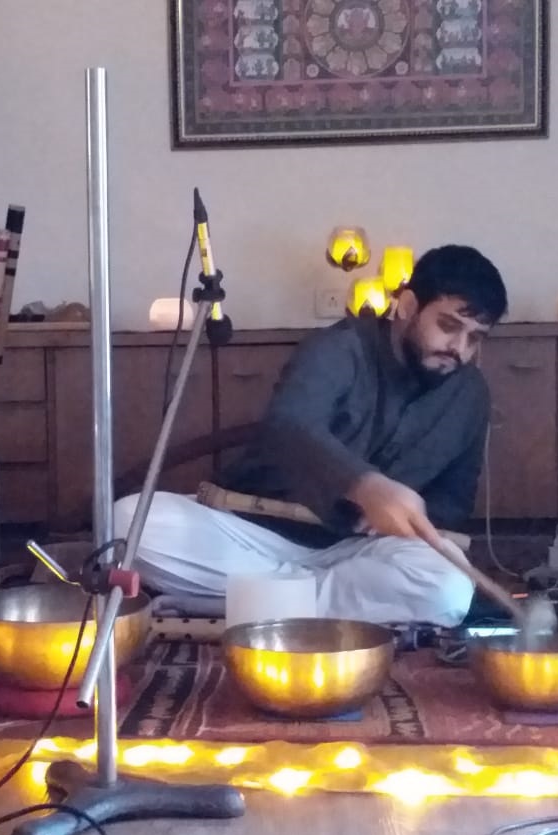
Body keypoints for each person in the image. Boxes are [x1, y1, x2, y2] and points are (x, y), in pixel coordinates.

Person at [113, 244, 508, 627]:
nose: (459, 349)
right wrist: (365, 486)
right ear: (407, 306)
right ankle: (313, 603)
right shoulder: (341, 348)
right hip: (253, 534)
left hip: (358, 554)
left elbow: (452, 503)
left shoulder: (470, 395)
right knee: (127, 524)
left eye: (474, 337)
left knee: (449, 587)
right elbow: (289, 425)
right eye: (448, 326)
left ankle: (249, 602)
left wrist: (411, 520)